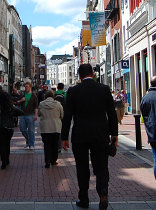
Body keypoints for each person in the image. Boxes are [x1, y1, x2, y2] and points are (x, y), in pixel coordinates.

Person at [62, 64, 118, 210]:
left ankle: (84, 198)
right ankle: (103, 191)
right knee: (101, 165)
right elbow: (111, 113)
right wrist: (114, 134)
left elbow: (67, 116)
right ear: (93, 74)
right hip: (101, 134)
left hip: (80, 134)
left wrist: (64, 137)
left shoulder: (73, 91)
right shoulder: (104, 89)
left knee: (82, 167)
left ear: (79, 76)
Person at [0, 90, 24, 169]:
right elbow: (21, 112)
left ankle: (3, 162)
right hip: (9, 127)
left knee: (2, 144)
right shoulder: (10, 107)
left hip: (0, 127)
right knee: (7, 143)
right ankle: (7, 159)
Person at [38, 90, 64, 168]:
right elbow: (62, 115)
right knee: (55, 144)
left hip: (45, 127)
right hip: (55, 126)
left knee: (47, 144)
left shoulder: (42, 104)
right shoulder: (58, 104)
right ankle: (54, 160)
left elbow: (39, 114)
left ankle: (47, 160)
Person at [16, 80, 38, 149]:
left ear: (30, 87)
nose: (26, 88)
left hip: (30, 114)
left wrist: (35, 115)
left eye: (27, 87)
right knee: (22, 129)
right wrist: (21, 100)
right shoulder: (22, 94)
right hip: (23, 114)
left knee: (31, 130)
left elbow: (36, 106)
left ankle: (31, 144)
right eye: (25, 87)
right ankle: (28, 140)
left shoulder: (34, 96)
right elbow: (17, 102)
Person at [54, 83, 67, 152]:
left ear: (57, 87)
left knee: (55, 130)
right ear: (63, 87)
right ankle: (60, 146)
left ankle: (55, 145)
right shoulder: (65, 94)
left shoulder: (54, 94)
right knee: (61, 130)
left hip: (55, 114)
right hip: (63, 114)